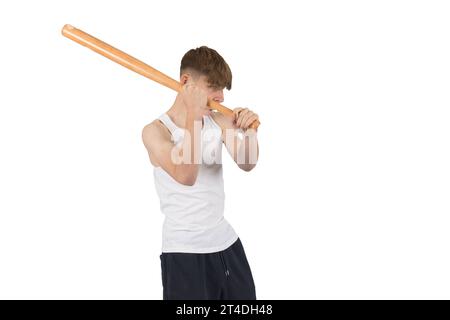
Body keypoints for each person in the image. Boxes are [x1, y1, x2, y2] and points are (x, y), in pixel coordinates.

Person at [141, 46, 260, 300]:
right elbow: (185, 175)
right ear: (186, 83)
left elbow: (247, 162)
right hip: (183, 252)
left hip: (226, 245)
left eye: (223, 89)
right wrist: (194, 115)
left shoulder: (217, 121)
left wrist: (250, 132)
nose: (221, 98)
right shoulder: (156, 131)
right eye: (214, 87)